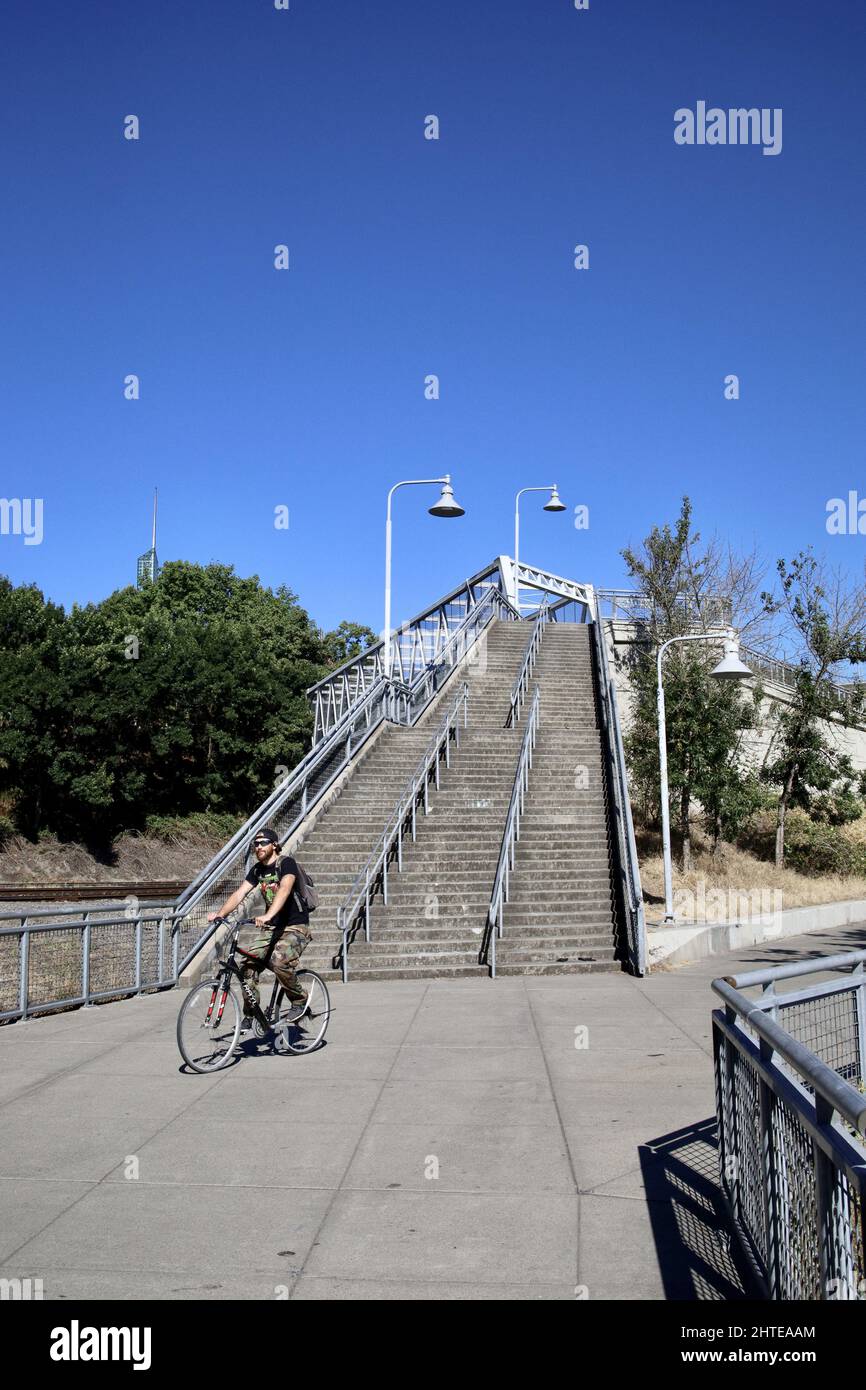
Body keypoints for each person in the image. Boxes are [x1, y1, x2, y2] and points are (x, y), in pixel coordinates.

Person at [208, 827, 311, 1031]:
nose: (258, 847)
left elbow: (285, 888)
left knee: (279, 962)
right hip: (272, 928)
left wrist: (268, 915)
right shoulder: (257, 870)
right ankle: (252, 1014)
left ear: (274, 845)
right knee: (247, 966)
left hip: (295, 926)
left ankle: (300, 1000)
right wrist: (221, 914)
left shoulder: (286, 863)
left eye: (263, 843)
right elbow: (239, 894)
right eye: (255, 844)